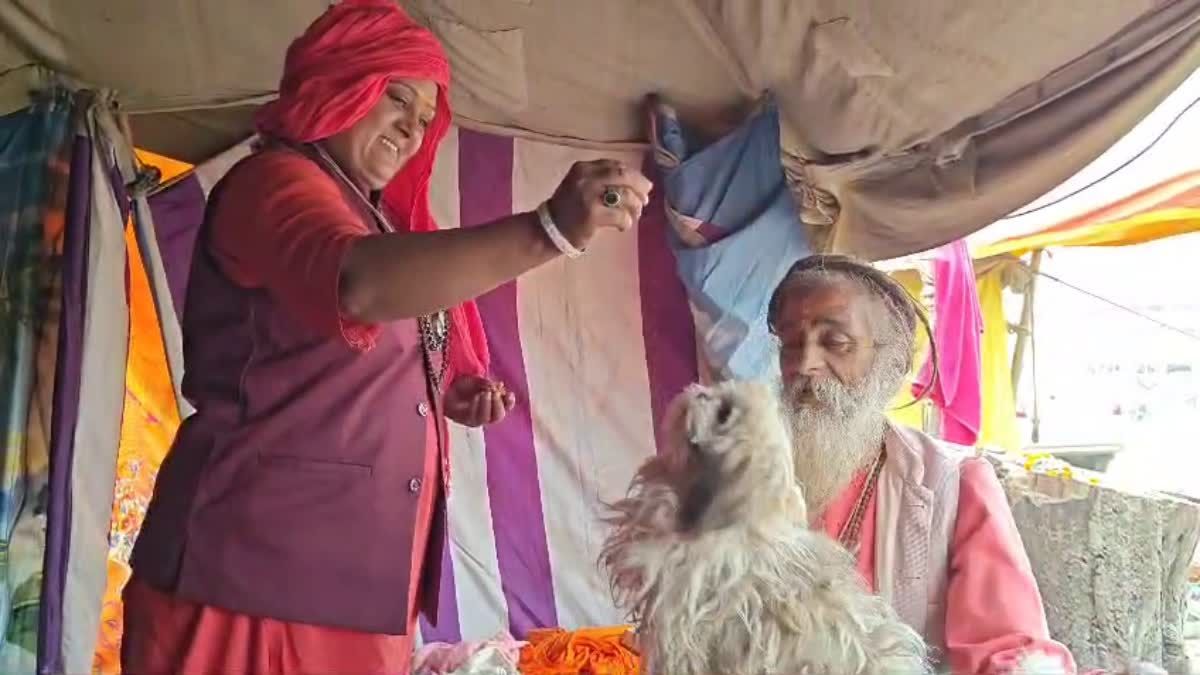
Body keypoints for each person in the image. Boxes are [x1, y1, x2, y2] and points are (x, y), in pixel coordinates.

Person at [121, 2, 652, 674]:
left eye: (426, 119)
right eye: (395, 99)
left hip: (353, 586)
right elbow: (356, 287)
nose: (412, 127)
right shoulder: (275, 181)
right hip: (249, 579)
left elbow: (359, 341)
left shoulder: (372, 217)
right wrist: (546, 229)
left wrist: (449, 387)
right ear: (338, 83)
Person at [767, 254, 1079, 675]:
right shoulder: (744, 477)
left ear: (892, 365)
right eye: (791, 343)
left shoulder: (950, 484)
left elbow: (1006, 652)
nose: (805, 365)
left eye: (835, 343)